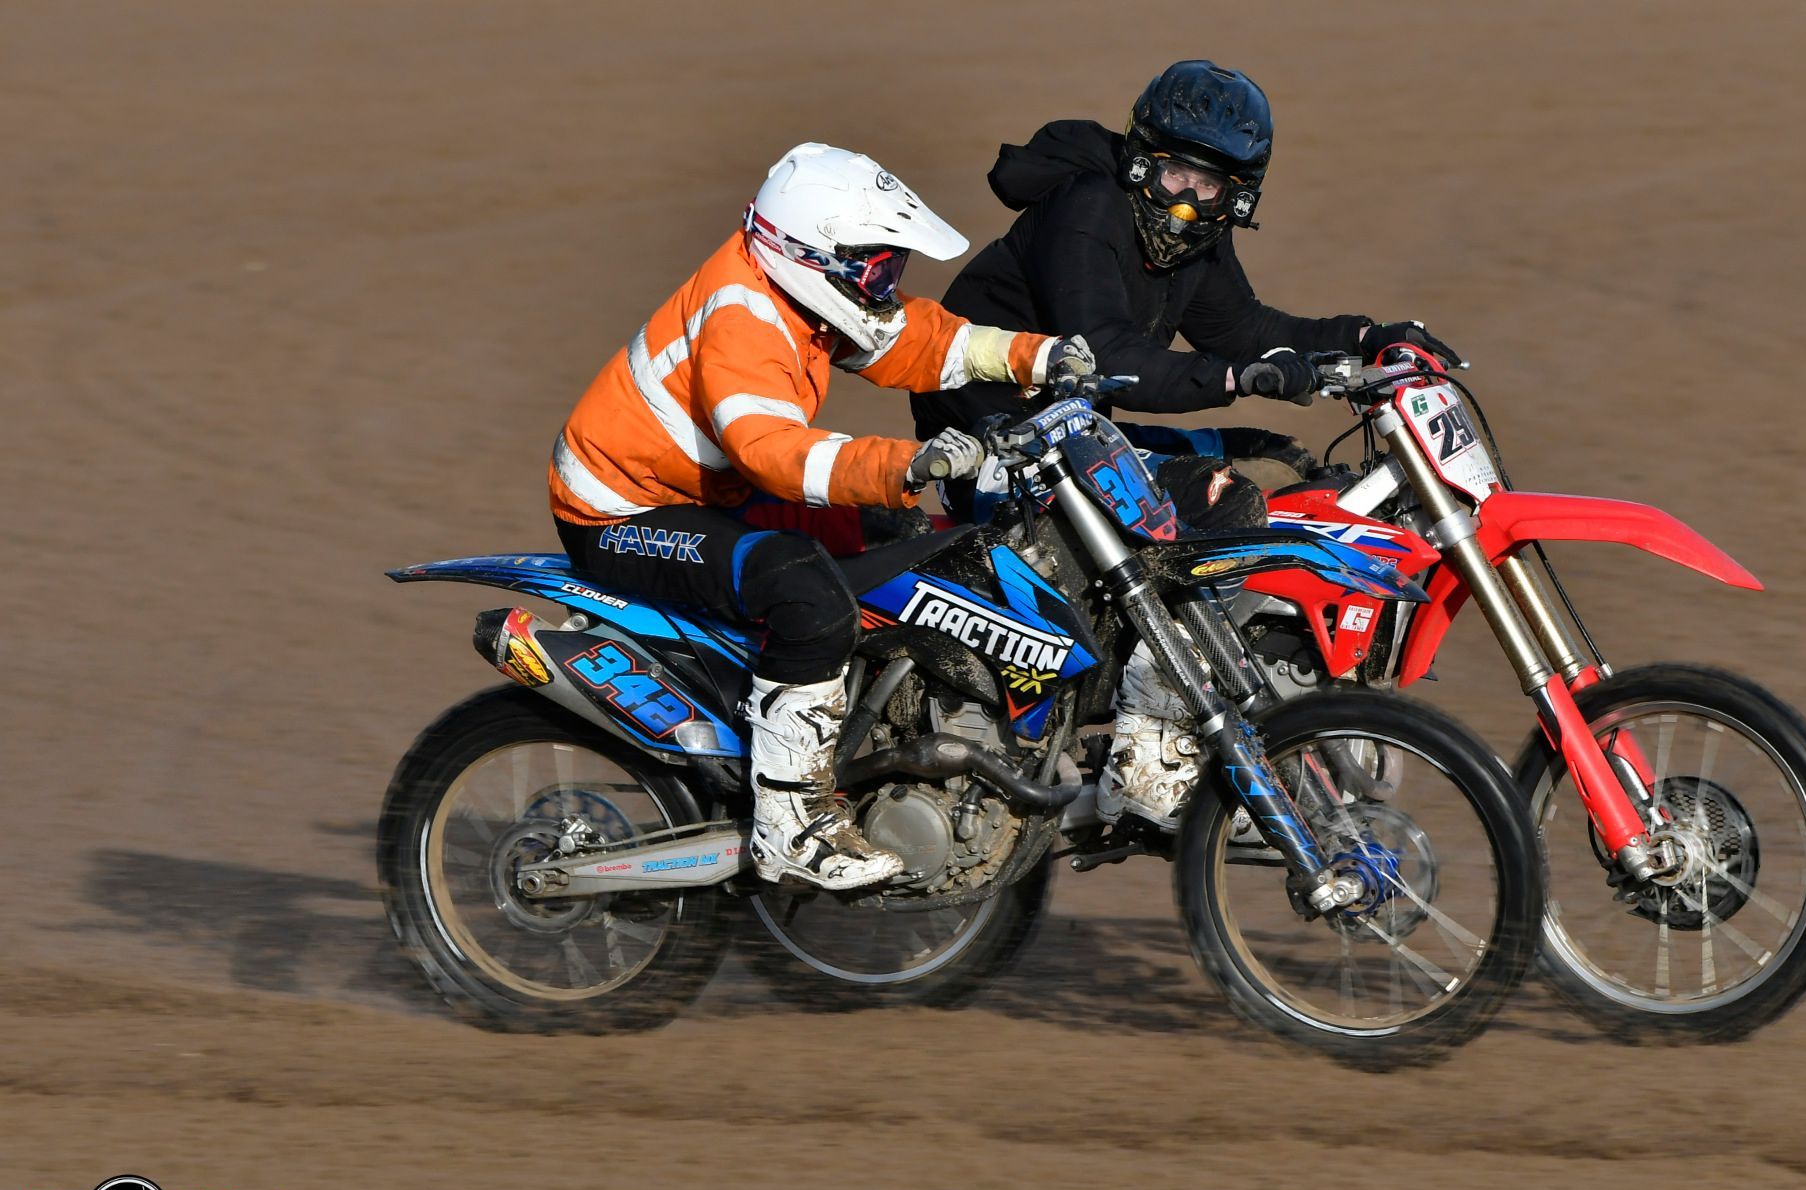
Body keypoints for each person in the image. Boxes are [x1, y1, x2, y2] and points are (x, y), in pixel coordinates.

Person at [909, 59, 1461, 831]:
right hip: (993, 442)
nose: (1187, 202)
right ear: (1142, 160)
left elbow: (1246, 328)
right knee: (1218, 502)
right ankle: (1147, 753)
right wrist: (1237, 376)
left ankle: (1183, 703)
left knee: (1266, 477)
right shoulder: (1088, 209)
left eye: (1212, 188)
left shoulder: (1198, 240)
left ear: (1239, 195)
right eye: (1175, 174)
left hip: (1072, 432)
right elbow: (1105, 352)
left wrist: (1368, 339)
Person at [550, 142, 1094, 890]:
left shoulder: (803, 292)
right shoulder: (743, 314)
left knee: (912, 547)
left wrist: (1037, 355)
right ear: (810, 255)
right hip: (624, 507)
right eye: (876, 269)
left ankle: (868, 738)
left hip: (713, 489)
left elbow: (915, 340)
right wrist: (906, 465)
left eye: (892, 267)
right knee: (807, 595)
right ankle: (790, 822)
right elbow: (773, 452)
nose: (887, 285)